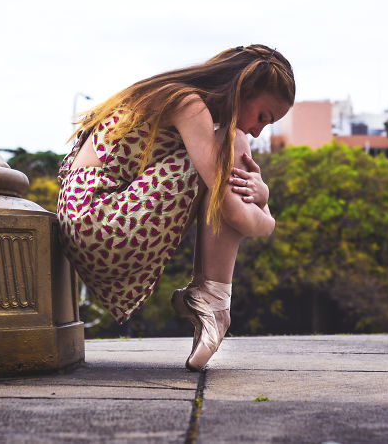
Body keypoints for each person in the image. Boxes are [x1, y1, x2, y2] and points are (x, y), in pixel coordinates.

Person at [57, 44, 295, 370]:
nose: (257, 130)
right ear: (243, 89)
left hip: (89, 225)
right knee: (232, 145)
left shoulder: (172, 96)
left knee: (224, 159)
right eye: (263, 118)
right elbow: (235, 212)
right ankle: (212, 301)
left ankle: (207, 297)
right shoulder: (188, 105)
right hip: (100, 224)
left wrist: (260, 193)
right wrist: (267, 216)